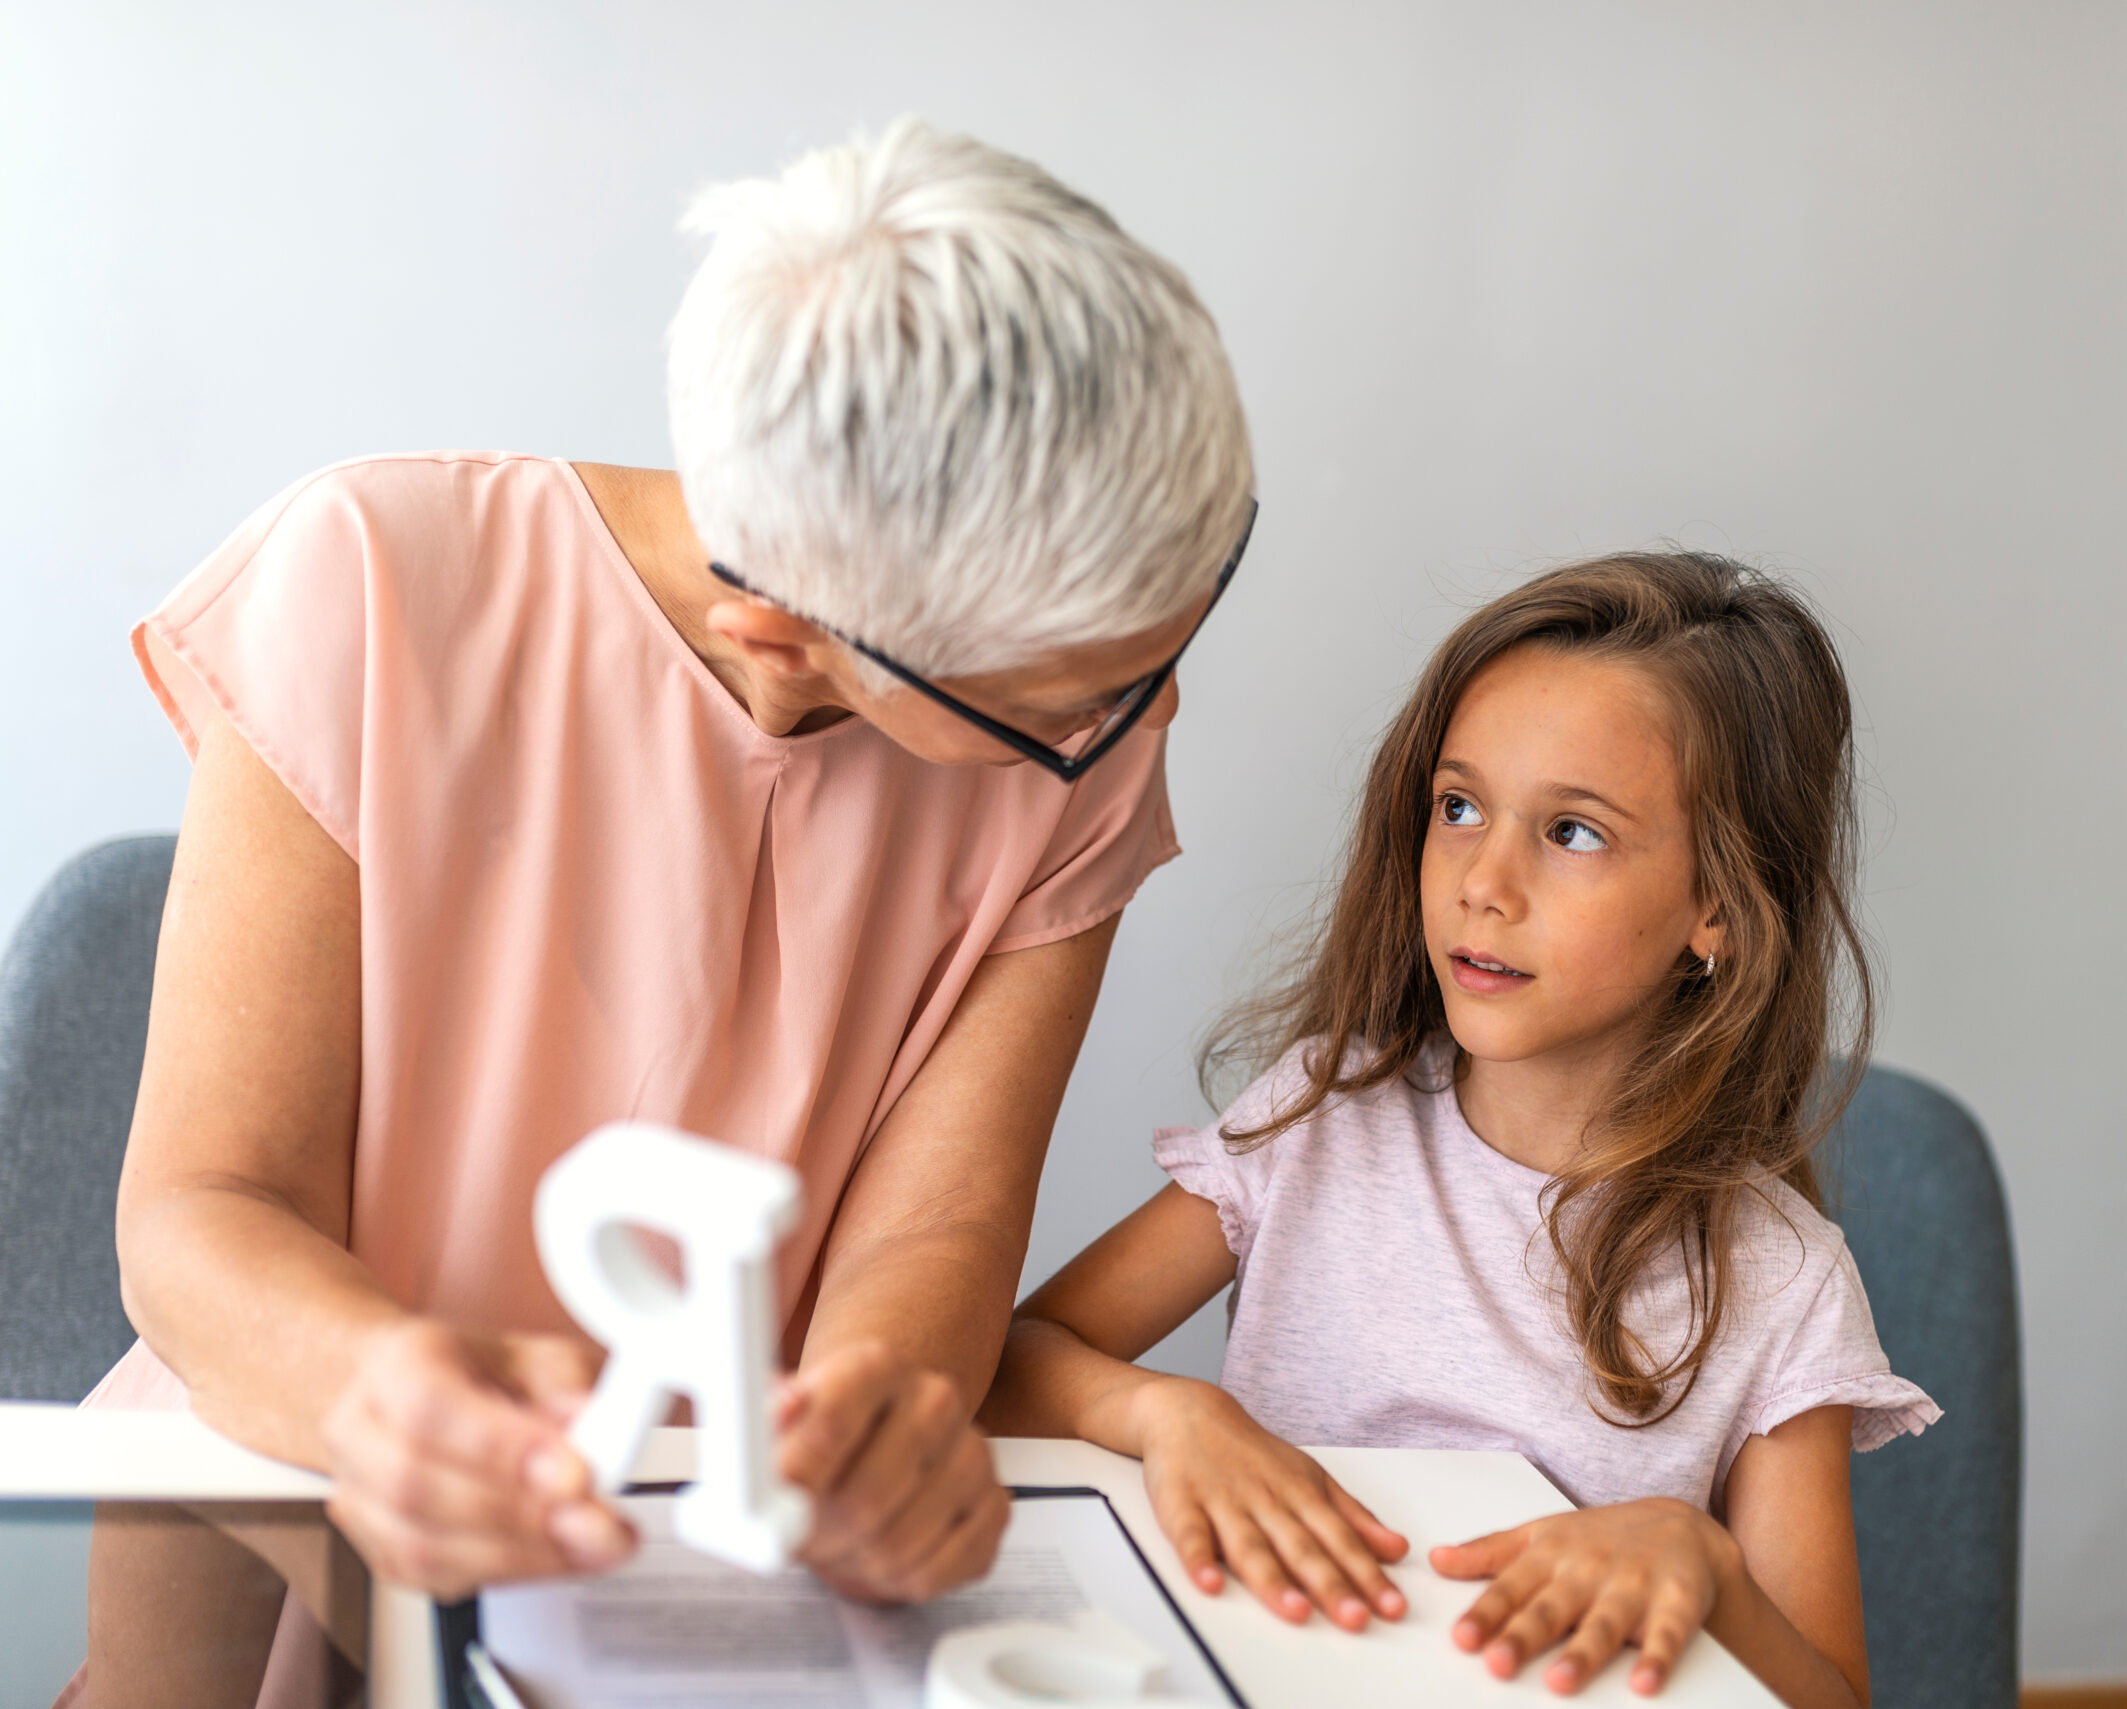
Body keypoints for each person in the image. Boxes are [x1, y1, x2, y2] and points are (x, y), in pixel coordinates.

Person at [97, 116, 1254, 1618]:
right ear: (777, 633)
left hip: (700, 1560)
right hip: (266, 1498)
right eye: (1078, 701)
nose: (1153, 716)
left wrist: (872, 1424)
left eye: (1175, 634)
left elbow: (936, 1230)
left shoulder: (1077, 758)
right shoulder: (368, 581)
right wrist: (374, 1388)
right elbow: (198, 1215)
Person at [982, 554, 1937, 1705]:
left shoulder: (1781, 1282)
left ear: (1719, 909)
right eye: (1459, 806)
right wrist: (1165, 1409)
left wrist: (1712, 1572)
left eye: (1573, 831)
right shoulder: (1315, 1120)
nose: (1483, 879)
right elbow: (1002, 1370)